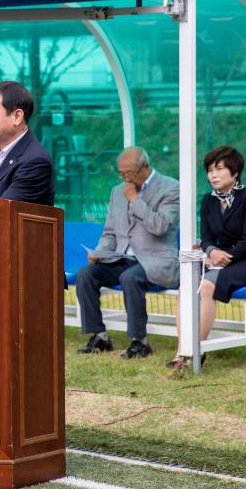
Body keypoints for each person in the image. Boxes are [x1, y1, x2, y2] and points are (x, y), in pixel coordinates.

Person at [168, 146, 246, 367]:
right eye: (210, 169)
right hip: (219, 259)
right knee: (186, 285)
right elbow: (206, 237)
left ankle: (196, 350)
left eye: (219, 169)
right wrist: (212, 251)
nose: (212, 174)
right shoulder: (208, 201)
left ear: (235, 173)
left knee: (206, 285)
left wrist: (224, 256)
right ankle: (182, 349)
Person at [75, 147, 179, 359]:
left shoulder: (171, 188)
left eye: (129, 173)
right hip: (122, 258)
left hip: (155, 260)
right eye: (121, 173)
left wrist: (135, 200)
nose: (125, 178)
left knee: (129, 278)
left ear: (146, 168)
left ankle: (140, 341)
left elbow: (161, 225)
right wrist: (100, 252)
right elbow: (110, 232)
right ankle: (100, 337)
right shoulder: (117, 191)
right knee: (86, 274)